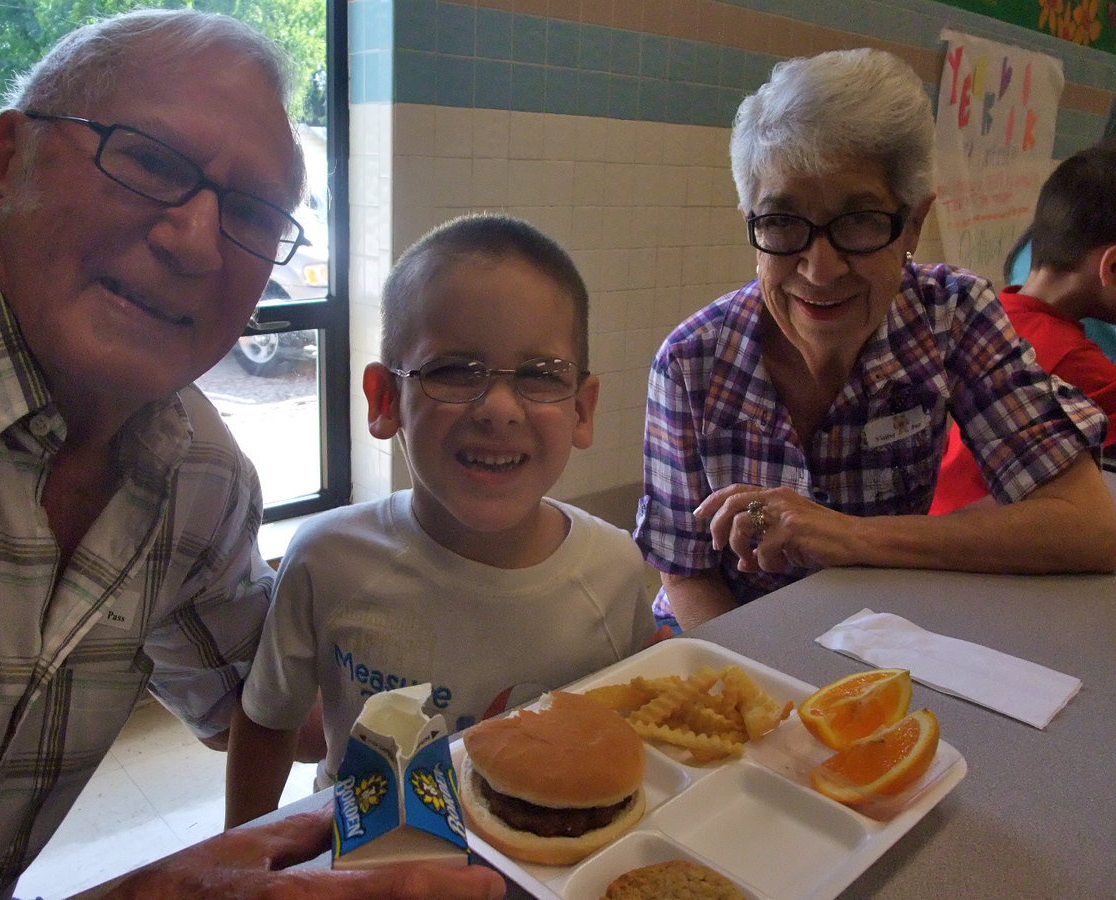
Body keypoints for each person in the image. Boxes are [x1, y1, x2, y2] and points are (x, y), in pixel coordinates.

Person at [0, 9, 503, 900]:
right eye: (149, 161)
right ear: (7, 163)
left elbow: (247, 703)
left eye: (251, 212)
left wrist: (437, 699)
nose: (194, 240)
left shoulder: (200, 479)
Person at [633, 48, 1116, 631]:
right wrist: (765, 686)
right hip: (729, 640)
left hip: (880, 634)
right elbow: (685, 573)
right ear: (751, 223)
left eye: (859, 221)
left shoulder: (950, 316)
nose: (820, 269)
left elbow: (1088, 526)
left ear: (913, 223)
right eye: (783, 222)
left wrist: (851, 536)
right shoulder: (691, 362)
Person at [226, 213, 659, 828]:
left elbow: (624, 730)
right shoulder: (329, 558)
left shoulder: (614, 570)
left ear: (582, 410)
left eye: (539, 376)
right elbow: (268, 719)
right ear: (384, 401)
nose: (500, 409)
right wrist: (241, 863)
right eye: (454, 370)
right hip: (362, 843)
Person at [932, 141, 1116, 512]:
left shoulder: (991, 318)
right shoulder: (1080, 367)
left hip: (937, 526)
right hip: (979, 556)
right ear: (1111, 267)